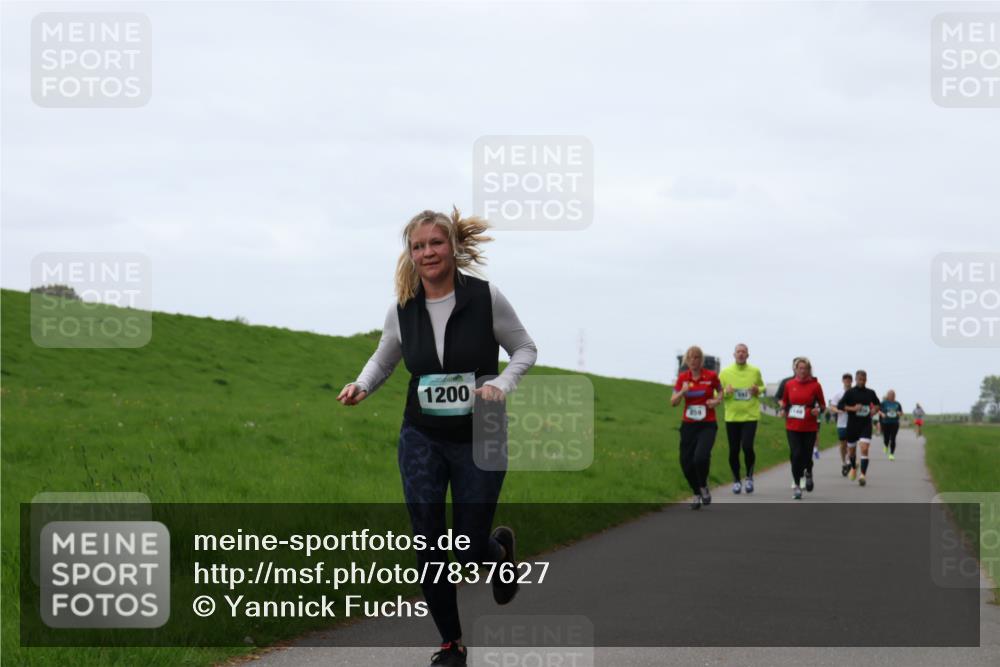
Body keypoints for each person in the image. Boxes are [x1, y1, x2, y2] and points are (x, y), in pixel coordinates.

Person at [338, 208, 537, 667]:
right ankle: (452, 644)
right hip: (422, 435)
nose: (427, 253)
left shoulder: (486, 298)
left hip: (480, 433)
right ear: (410, 253)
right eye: (418, 246)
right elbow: (384, 358)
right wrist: (361, 385)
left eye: (435, 243)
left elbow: (525, 348)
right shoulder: (402, 306)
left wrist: (501, 385)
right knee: (429, 543)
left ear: (452, 247)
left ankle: (498, 551)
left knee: (467, 546)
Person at [671, 346, 723, 510]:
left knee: (700, 457)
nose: (693, 361)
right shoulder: (682, 379)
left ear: (701, 360)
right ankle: (696, 492)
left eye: (697, 358)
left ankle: (703, 486)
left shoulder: (711, 376)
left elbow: (720, 392)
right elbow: (673, 402)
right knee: (685, 463)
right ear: (686, 360)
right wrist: (682, 392)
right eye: (691, 358)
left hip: (707, 424)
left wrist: (716, 401)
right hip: (688, 425)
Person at [719, 343, 766, 494]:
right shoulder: (725, 373)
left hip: (750, 416)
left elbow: (763, 387)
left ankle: (749, 477)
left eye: (743, 352)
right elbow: (715, 393)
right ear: (734, 355)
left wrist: (757, 390)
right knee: (733, 450)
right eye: (738, 352)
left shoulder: (755, 371)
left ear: (747, 355)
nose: (740, 354)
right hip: (732, 417)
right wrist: (726, 392)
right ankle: (736, 481)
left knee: (747, 446)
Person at [779, 358, 825, 499]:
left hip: (809, 426)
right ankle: (797, 486)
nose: (802, 371)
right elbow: (785, 401)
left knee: (806, 455)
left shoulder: (815, 386)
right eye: (800, 368)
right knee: (795, 454)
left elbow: (822, 405)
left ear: (809, 369)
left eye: (805, 368)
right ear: (795, 369)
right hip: (792, 426)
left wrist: (817, 410)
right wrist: (782, 408)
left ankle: (808, 472)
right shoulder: (789, 384)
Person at [837, 370, 881, 486]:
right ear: (855, 380)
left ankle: (862, 475)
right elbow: (840, 405)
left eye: (863, 379)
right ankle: (853, 467)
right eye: (859, 379)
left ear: (866, 380)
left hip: (865, 424)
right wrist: (853, 408)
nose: (861, 381)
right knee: (851, 452)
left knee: (864, 448)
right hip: (852, 425)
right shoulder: (850, 392)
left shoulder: (870, 392)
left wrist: (874, 410)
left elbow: (877, 404)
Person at [830, 373, 853, 476]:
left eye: (849, 379)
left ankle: (849, 461)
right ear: (843, 381)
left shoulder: (855, 393)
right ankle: (844, 462)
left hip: (854, 423)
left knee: (851, 444)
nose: (847, 381)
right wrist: (838, 411)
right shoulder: (838, 394)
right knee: (843, 444)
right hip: (842, 423)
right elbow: (832, 406)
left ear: (852, 381)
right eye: (845, 379)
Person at [880, 391, 904, 460]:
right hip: (886, 423)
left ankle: (891, 454)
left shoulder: (897, 404)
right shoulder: (884, 403)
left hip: (895, 423)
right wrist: (882, 414)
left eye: (893, 395)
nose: (892, 396)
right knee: (886, 438)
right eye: (890, 395)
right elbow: (879, 410)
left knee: (893, 438)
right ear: (888, 395)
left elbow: (901, 412)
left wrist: (900, 413)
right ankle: (886, 445)